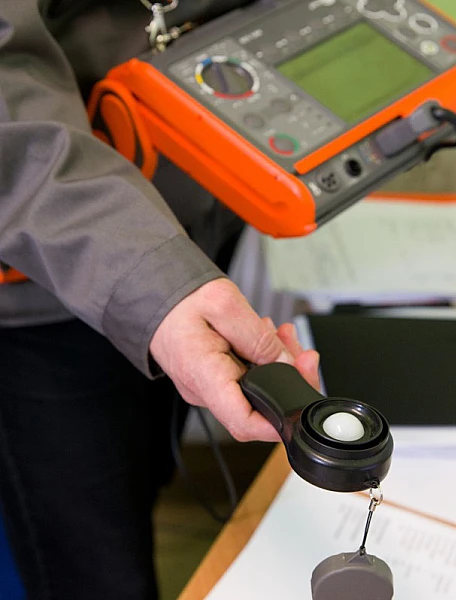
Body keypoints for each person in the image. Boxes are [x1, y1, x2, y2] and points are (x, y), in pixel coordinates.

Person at [0, 1, 320, 599]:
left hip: (194, 226)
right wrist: (156, 283)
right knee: (94, 560)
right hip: (48, 287)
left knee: (144, 466)